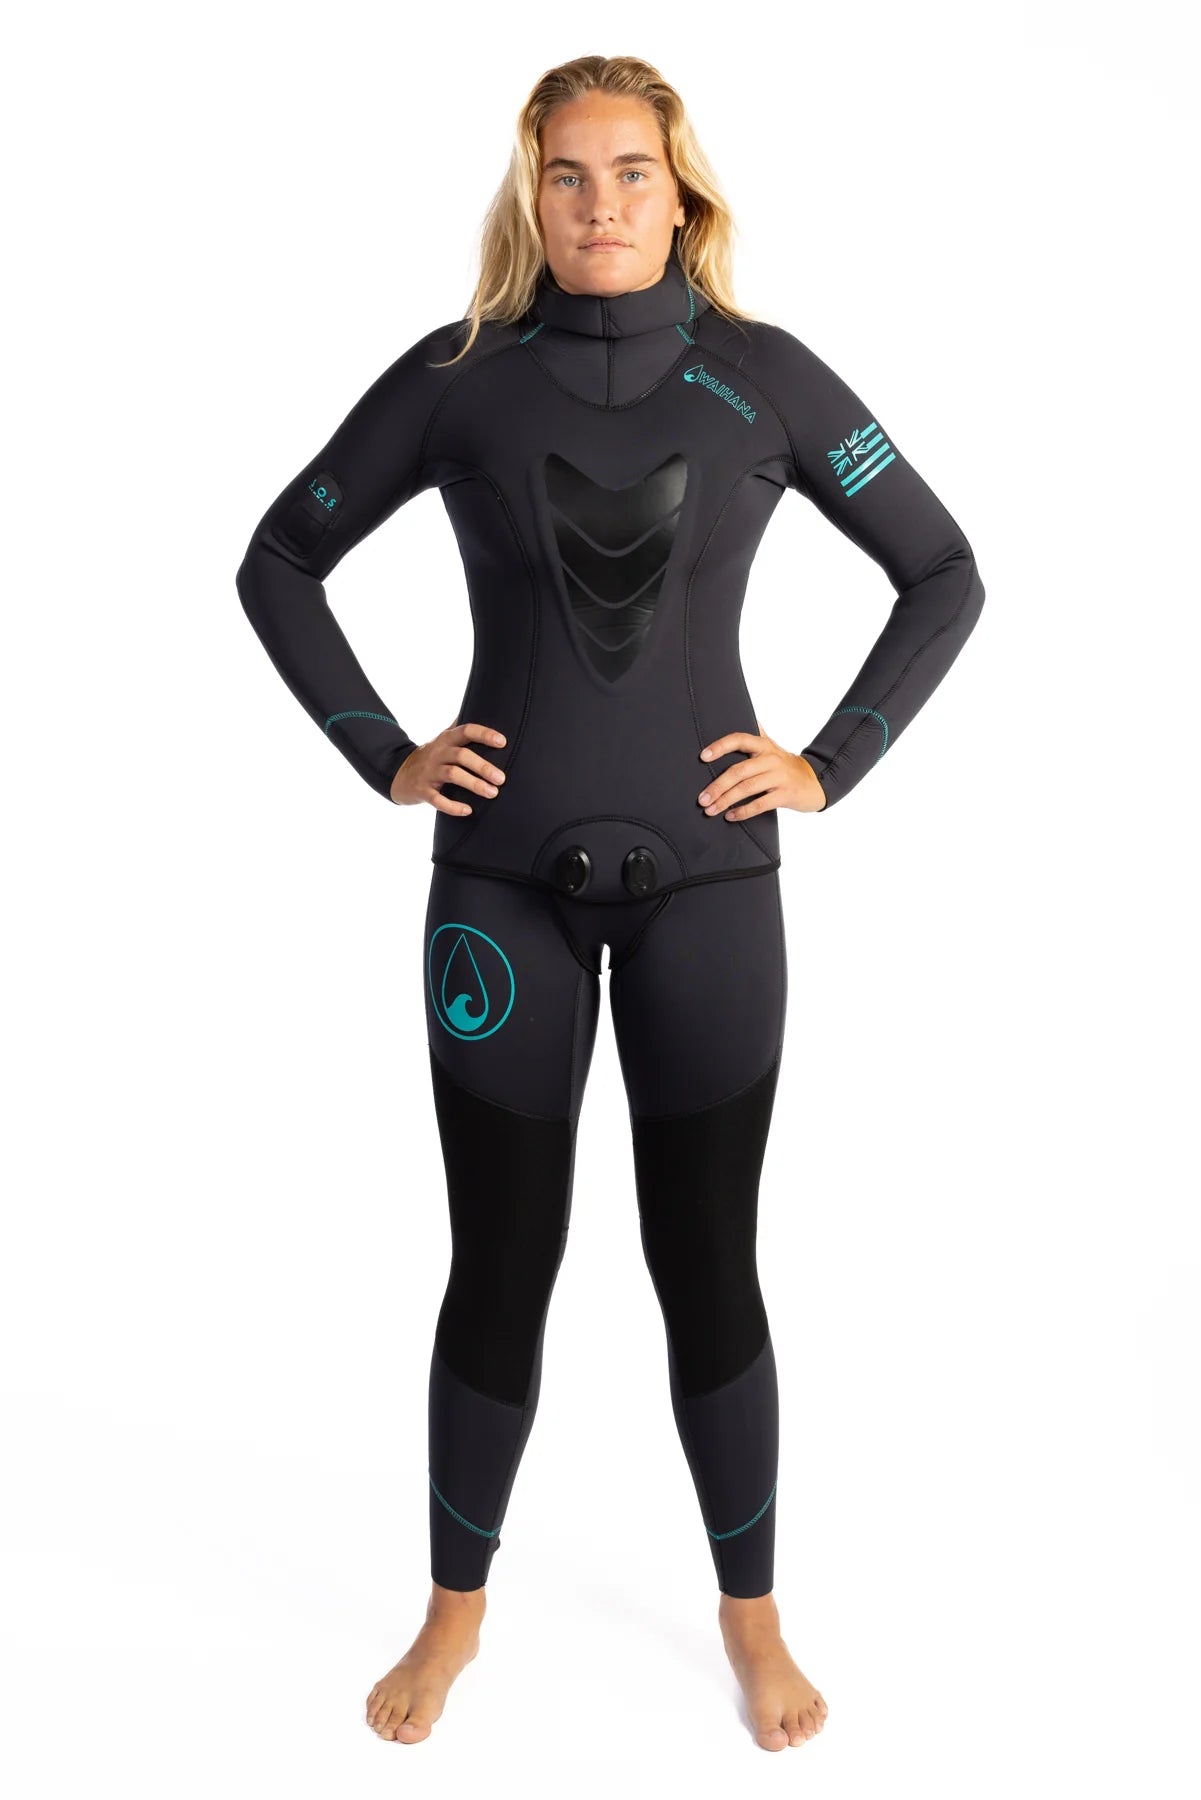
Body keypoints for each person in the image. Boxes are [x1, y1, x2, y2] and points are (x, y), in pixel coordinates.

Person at [235, 54, 984, 1754]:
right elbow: (279, 558)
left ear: (679, 186)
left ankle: (751, 1623)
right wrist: (383, 751)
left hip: (709, 891)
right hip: (496, 890)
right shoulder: (459, 379)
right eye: (565, 175)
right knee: (498, 1261)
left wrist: (830, 762)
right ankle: (452, 1617)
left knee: (706, 1261)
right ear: (530, 191)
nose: (598, 205)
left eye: (629, 171)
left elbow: (941, 569)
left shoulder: (762, 377)